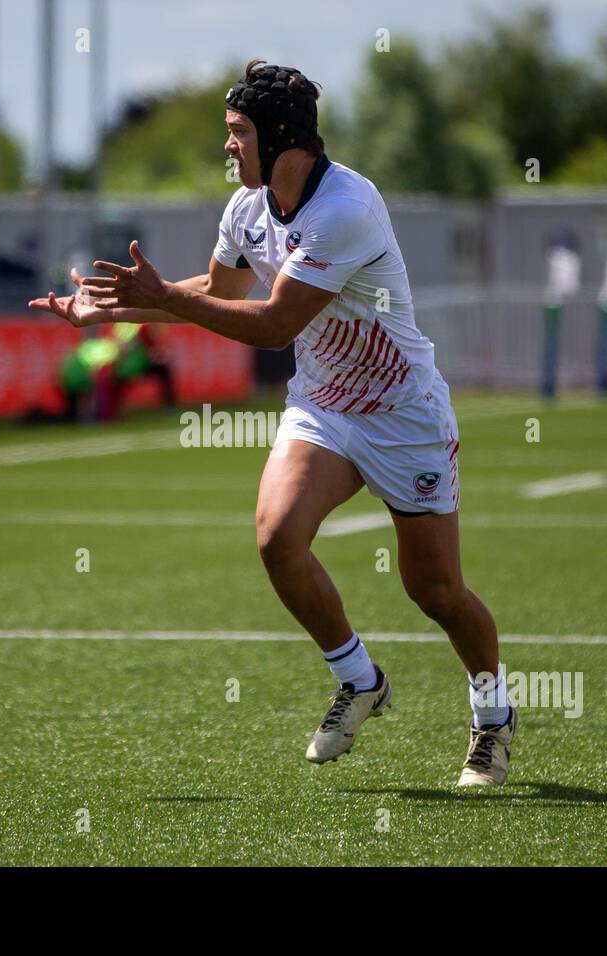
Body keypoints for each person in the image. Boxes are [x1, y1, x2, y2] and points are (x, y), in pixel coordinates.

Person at [30, 60, 513, 786]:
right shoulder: (246, 209)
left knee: (435, 590)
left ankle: (493, 718)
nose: (227, 148)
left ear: (282, 137)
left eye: (237, 134)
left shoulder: (345, 208)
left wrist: (161, 297)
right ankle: (359, 678)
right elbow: (215, 292)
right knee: (277, 536)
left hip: (400, 412)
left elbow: (272, 323)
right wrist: (114, 309)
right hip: (324, 406)